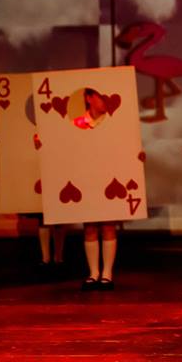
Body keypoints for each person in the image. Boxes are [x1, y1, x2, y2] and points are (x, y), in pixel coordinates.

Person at [76, 89, 118, 291]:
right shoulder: (77, 124)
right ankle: (93, 273)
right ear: (89, 98)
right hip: (86, 179)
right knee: (90, 226)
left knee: (108, 225)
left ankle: (107, 273)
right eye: (100, 96)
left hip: (109, 176)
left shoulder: (113, 122)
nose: (104, 101)